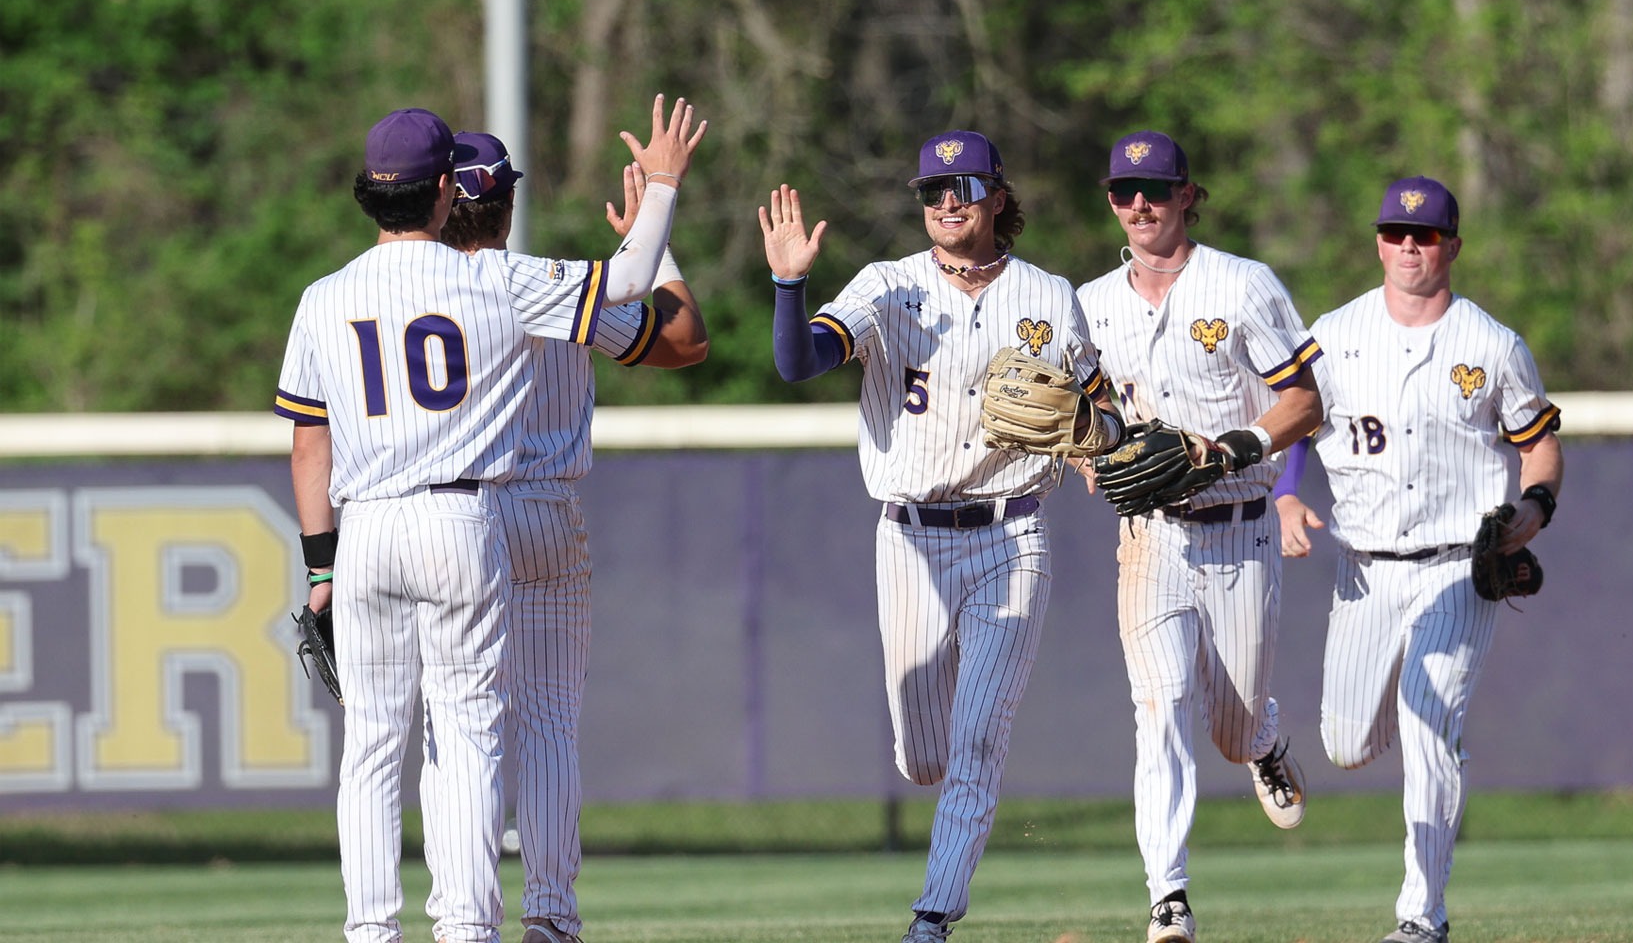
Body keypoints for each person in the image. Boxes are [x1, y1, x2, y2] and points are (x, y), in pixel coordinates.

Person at [275, 102, 687, 943]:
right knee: (467, 738)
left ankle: (370, 931)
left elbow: (307, 444)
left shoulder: (323, 298)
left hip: (364, 531)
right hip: (463, 517)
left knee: (373, 746)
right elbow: (637, 288)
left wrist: (321, 569)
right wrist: (664, 187)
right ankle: (467, 927)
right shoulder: (495, 279)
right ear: (440, 192)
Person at [757, 130, 1124, 943]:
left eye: (961, 186)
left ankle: (932, 917)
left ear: (997, 195)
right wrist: (789, 284)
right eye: (931, 190)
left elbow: (1100, 416)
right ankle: (932, 804)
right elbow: (798, 363)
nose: (946, 201)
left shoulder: (1050, 295)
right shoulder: (888, 287)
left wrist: (1101, 442)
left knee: (978, 740)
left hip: (1012, 534)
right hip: (911, 540)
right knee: (925, 756)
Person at [437, 101, 707, 943]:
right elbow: (685, 341)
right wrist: (653, 246)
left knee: (462, 724)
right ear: (507, 204)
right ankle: (551, 917)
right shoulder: (554, 285)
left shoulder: (402, 294)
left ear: (441, 200)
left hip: (452, 514)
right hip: (547, 511)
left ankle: (463, 921)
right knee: (548, 721)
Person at [1274, 176, 1564, 943]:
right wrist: (1287, 494)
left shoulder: (1492, 344)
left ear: (1453, 246)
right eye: (1397, 233)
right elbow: (1298, 420)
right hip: (1364, 566)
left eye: (1427, 234)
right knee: (1346, 746)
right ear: (1378, 242)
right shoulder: (1333, 334)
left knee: (1430, 728)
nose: (1410, 246)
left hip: (1457, 565)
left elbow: (1537, 445)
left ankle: (1421, 918)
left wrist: (1535, 509)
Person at [1075, 130, 1324, 943]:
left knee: (1232, 727)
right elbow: (1092, 422)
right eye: (1123, 190)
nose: (1138, 203)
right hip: (1151, 536)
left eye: (1154, 188)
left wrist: (1233, 449)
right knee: (1162, 706)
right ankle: (1167, 896)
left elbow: (1303, 403)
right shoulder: (1090, 304)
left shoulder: (1244, 285)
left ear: (1189, 195)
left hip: (1241, 527)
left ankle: (1264, 739)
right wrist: (1092, 456)